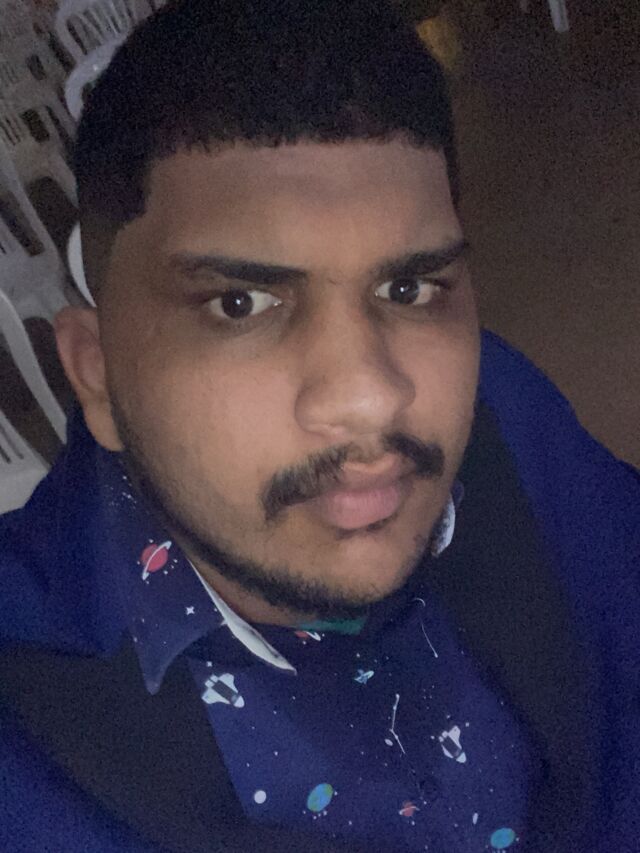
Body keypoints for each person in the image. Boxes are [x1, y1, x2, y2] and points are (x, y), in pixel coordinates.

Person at [0, 1, 638, 851]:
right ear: (99, 374)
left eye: (408, 289)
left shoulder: (505, 408)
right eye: (240, 304)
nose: (371, 396)